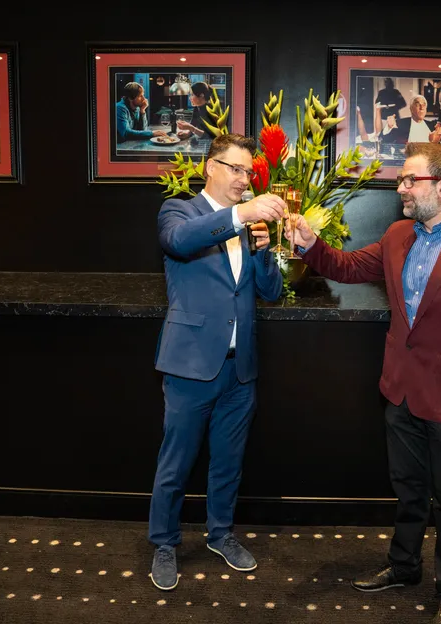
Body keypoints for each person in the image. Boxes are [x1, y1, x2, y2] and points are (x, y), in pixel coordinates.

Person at [285, 142, 441, 623]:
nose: (401, 190)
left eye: (409, 180)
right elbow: (350, 267)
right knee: (409, 489)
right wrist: (312, 245)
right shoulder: (399, 236)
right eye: (400, 181)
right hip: (400, 391)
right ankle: (403, 565)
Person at [148, 133, 287, 591]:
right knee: (177, 462)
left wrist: (265, 250)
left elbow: (270, 292)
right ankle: (165, 544)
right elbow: (179, 242)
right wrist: (241, 215)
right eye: (236, 169)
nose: (245, 179)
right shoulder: (180, 211)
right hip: (189, 365)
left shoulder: (247, 228)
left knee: (228, 462)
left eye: (249, 171)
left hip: (239, 368)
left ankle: (220, 534)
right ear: (210, 167)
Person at [377, 95, 441, 146]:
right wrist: (389, 127)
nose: (421, 108)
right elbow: (383, 141)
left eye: (424, 105)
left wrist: (435, 142)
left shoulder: (432, 126)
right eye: (417, 104)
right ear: (411, 109)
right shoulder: (400, 124)